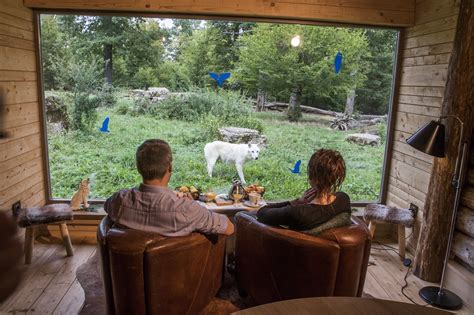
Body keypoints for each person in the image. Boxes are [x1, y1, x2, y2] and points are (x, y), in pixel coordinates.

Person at [104, 139, 234, 236]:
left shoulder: (119, 200)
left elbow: (106, 206)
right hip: (177, 271)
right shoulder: (187, 209)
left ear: (138, 168)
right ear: (170, 168)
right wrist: (192, 205)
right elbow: (229, 228)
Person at [257, 148, 350, 231]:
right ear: (336, 177)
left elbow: (261, 213)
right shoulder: (343, 199)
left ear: (312, 176)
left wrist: (296, 202)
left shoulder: (298, 212)